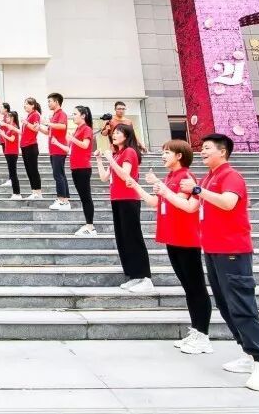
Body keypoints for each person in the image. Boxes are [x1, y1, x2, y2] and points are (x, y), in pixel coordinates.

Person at [172, 133, 259, 391]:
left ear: (222, 151)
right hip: (212, 250)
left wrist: (197, 190)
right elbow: (190, 207)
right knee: (225, 304)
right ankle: (248, 354)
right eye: (202, 147)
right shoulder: (208, 178)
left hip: (233, 251)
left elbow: (229, 203)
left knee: (241, 305)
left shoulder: (231, 176)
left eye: (207, 148)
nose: (202, 151)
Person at [108, 139, 212, 354]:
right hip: (173, 238)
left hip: (187, 239)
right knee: (188, 287)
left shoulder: (186, 176)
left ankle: (203, 335)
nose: (163, 156)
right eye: (163, 152)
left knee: (196, 287)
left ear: (179, 156)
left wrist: (164, 190)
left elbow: (187, 206)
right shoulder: (170, 177)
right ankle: (196, 331)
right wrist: (136, 185)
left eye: (167, 152)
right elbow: (155, 203)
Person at [95, 123, 152, 293]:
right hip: (117, 199)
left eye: (119, 132)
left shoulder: (129, 152)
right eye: (114, 132)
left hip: (129, 199)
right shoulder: (117, 154)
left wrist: (110, 159)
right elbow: (104, 177)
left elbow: (125, 174)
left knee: (133, 238)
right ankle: (134, 276)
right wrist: (100, 159)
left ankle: (145, 277)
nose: (114, 134)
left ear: (126, 136)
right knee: (123, 239)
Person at [50, 106, 96, 236]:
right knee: (83, 197)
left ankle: (90, 227)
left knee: (86, 197)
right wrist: (57, 143)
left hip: (83, 168)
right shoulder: (77, 130)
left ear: (83, 115)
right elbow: (70, 149)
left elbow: (85, 145)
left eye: (75, 114)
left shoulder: (86, 129)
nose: (73, 116)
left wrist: (72, 139)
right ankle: (88, 225)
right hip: (75, 167)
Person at [39, 93, 70, 210]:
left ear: (56, 102)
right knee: (60, 175)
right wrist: (39, 128)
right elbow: (49, 132)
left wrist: (48, 122)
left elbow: (63, 126)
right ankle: (65, 200)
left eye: (50, 101)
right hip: (53, 150)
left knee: (58, 175)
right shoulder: (54, 115)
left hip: (59, 149)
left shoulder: (62, 114)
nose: (48, 103)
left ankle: (62, 200)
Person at [20, 97, 43, 199]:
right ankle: (34, 191)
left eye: (26, 104)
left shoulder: (35, 114)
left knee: (33, 170)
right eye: (24, 103)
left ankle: (38, 192)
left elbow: (35, 129)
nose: (24, 105)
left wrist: (26, 123)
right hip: (25, 146)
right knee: (29, 170)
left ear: (32, 105)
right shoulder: (29, 115)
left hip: (31, 145)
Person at [0, 111, 22, 200]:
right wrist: (1, 132)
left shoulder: (14, 127)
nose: (6, 118)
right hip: (8, 152)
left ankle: (17, 193)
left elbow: (12, 139)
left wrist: (3, 134)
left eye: (8, 117)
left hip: (12, 152)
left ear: (12, 118)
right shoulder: (9, 128)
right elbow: (7, 140)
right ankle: (15, 193)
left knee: (13, 173)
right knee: (12, 173)